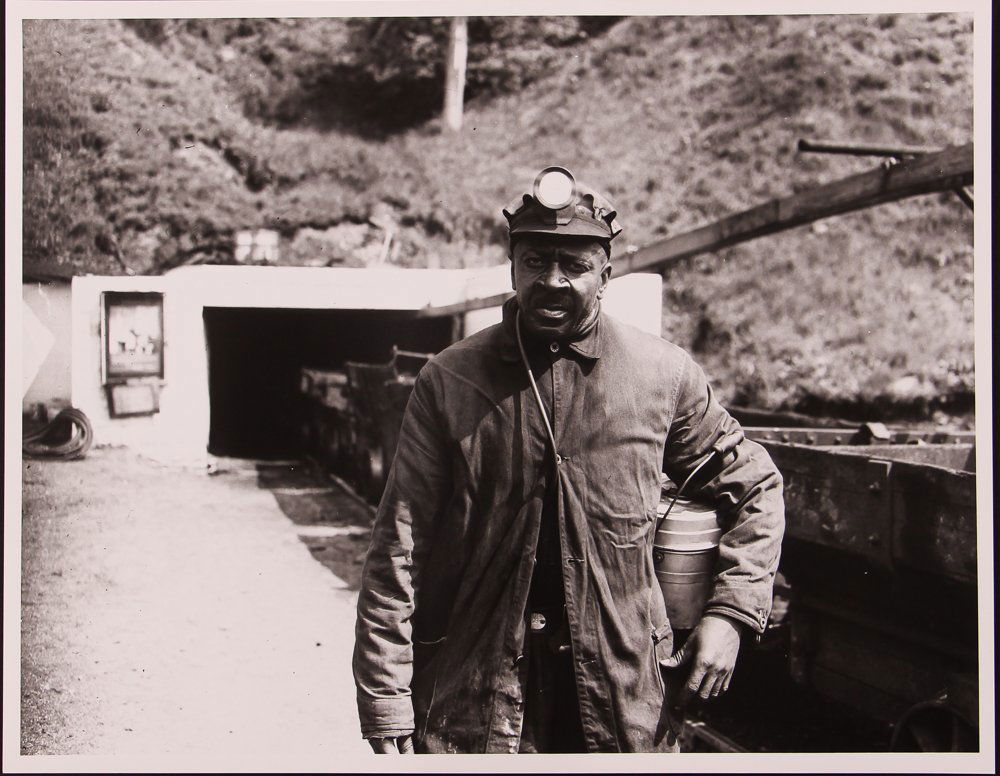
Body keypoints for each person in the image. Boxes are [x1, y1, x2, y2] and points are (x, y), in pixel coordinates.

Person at [352, 166, 785, 754]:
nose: (552, 281)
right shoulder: (449, 380)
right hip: (476, 696)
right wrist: (385, 695)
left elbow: (756, 487)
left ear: (605, 275)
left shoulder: (662, 376)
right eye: (534, 261)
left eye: (574, 265)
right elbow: (398, 546)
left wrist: (731, 615)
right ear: (512, 266)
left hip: (622, 699)